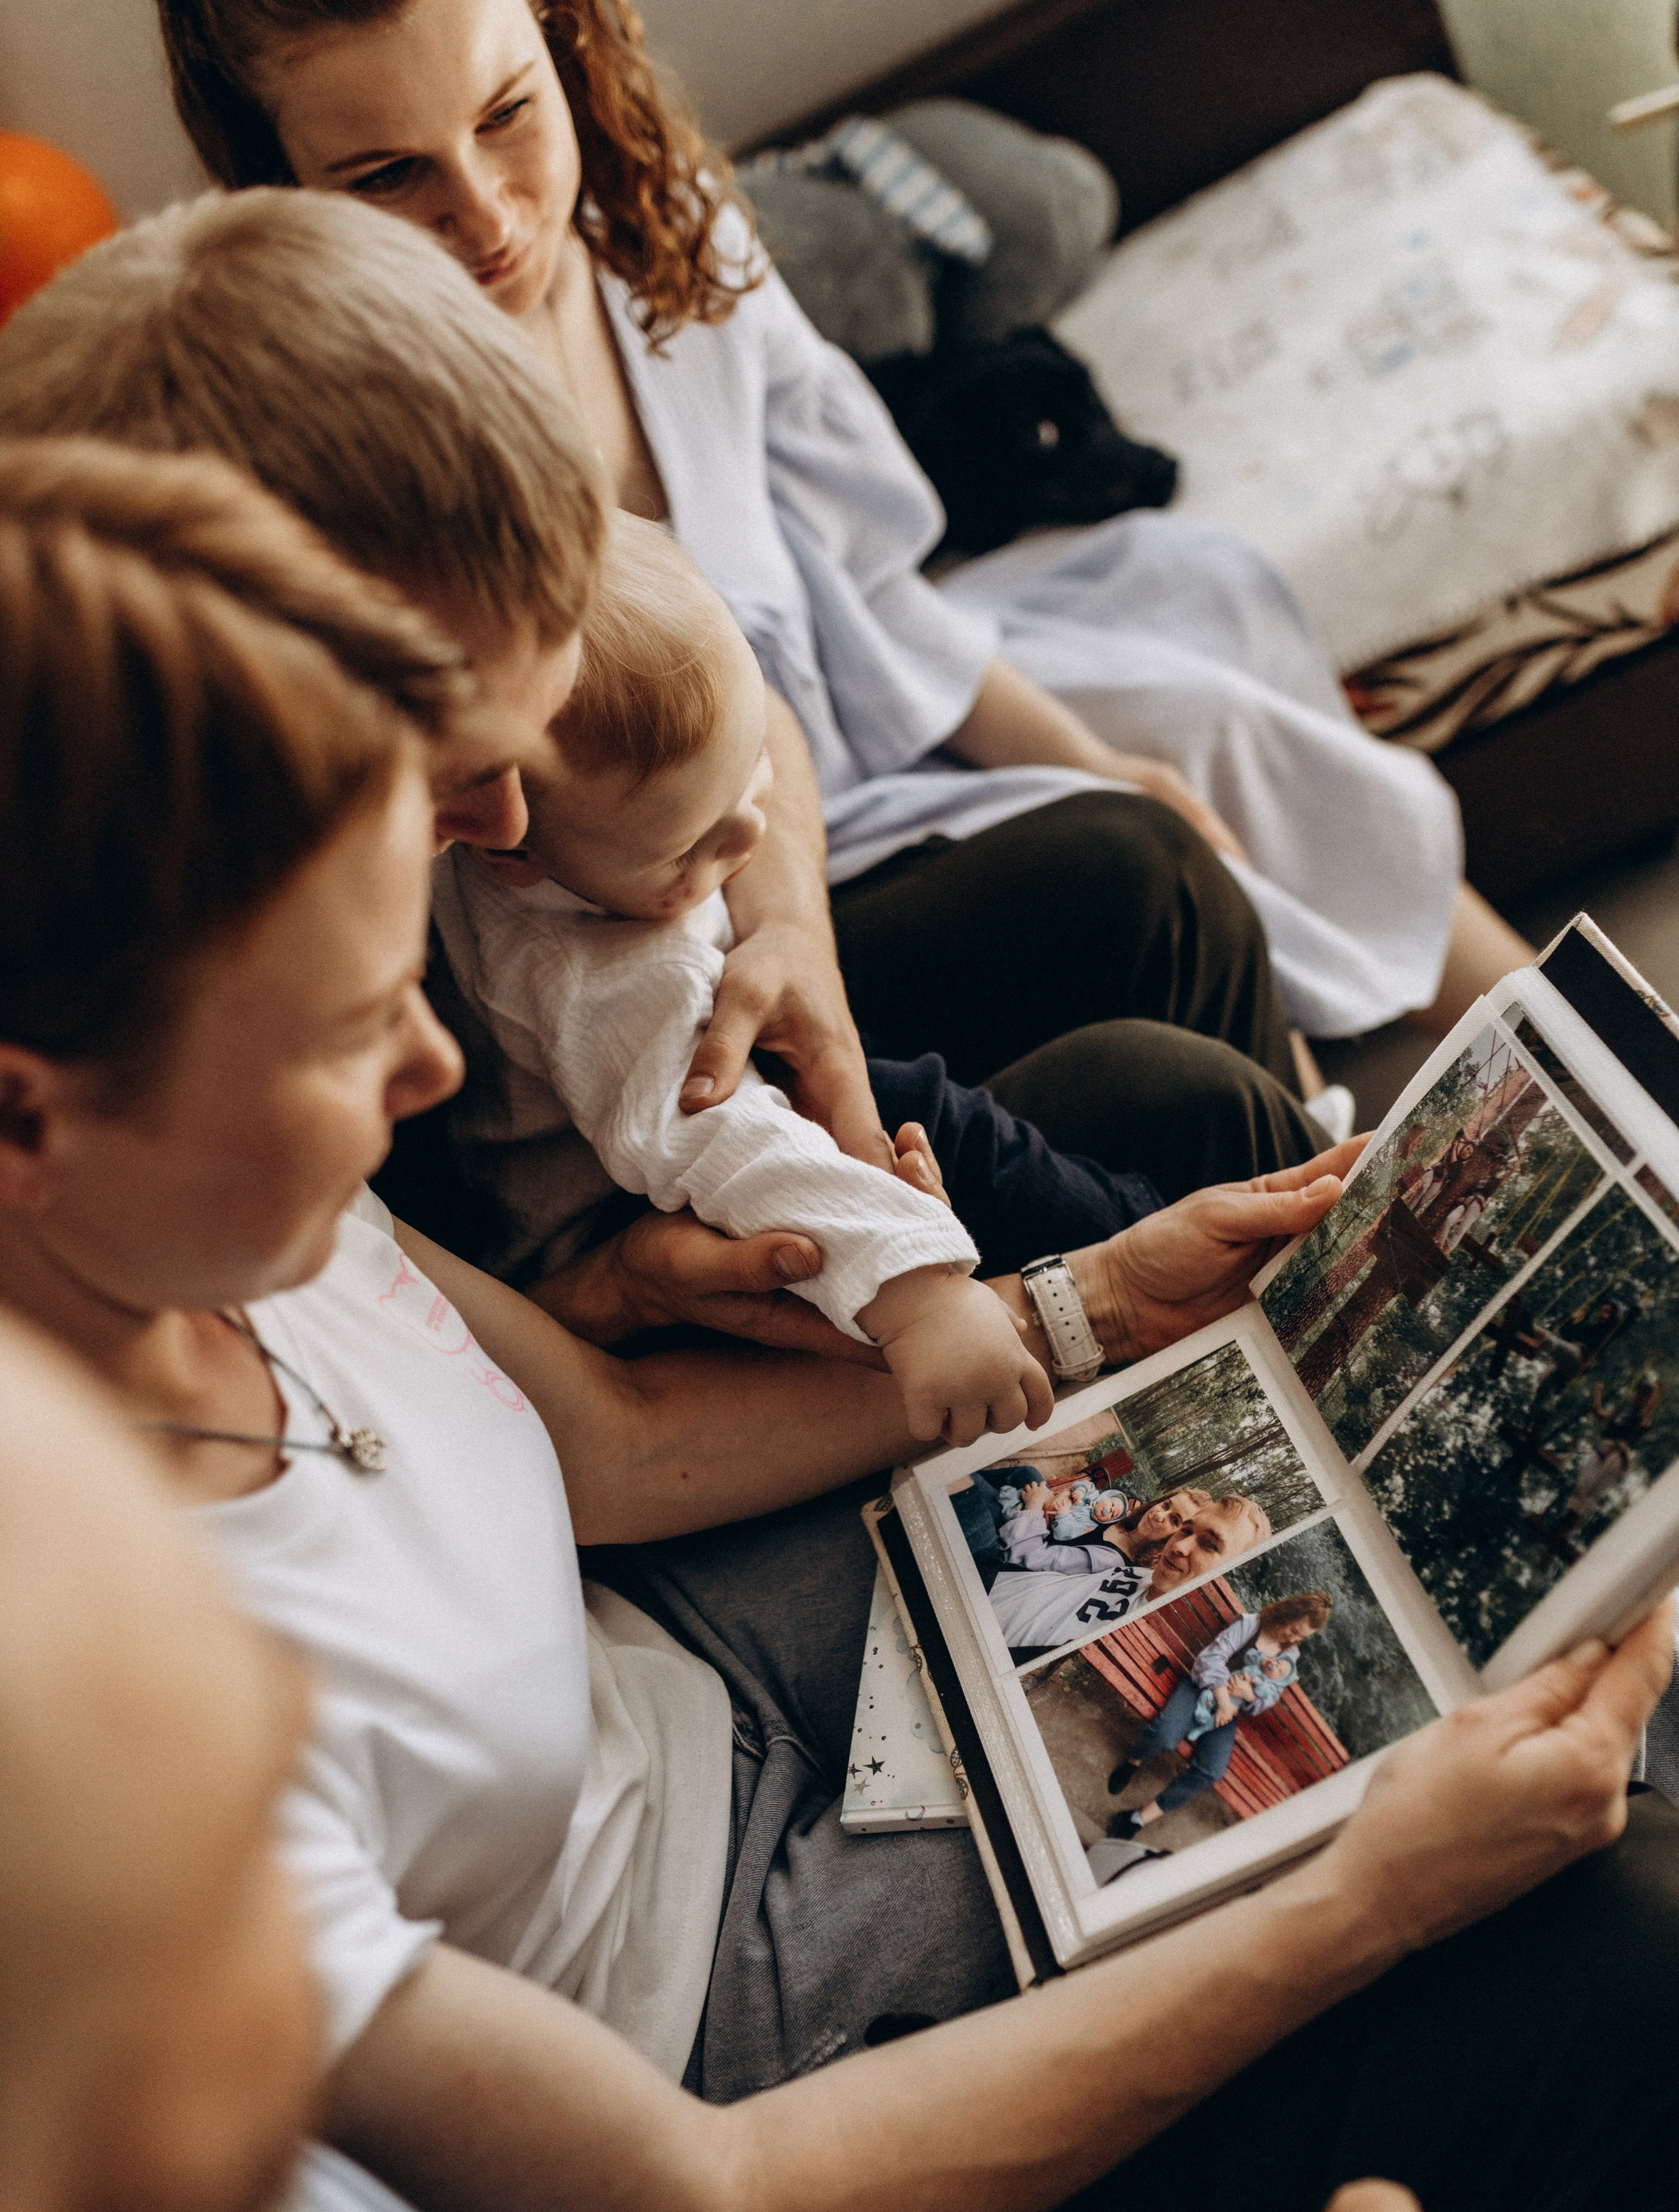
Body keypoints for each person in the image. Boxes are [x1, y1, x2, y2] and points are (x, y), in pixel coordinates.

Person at [0, 1317, 1612, 2212]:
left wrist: (1072, 1304)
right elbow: (711, 2194)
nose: (314, 1707)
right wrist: (1360, 1905)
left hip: (663, 1686)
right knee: (1601, 1905)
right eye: (251, 1793)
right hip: (750, 2134)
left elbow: (599, 1430)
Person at [146, 0, 1537, 1121]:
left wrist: (1089, 756)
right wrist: (821, 901)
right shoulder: (355, 464)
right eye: (387, 178)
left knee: (1193, 679)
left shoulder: (662, 233)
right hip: (693, 881)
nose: (488, 215)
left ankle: (1573, 1061)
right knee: (1139, 853)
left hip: (858, 718)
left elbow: (863, 592)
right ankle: (1317, 1141)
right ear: (277, 187)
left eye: (508, 114)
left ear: (559, 42)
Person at [0, 181, 1340, 1356]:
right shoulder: (192, 995)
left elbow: (739, 704)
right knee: (1183, 1105)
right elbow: (528, 1374)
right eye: (459, 776)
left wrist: (789, 927)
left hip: (659, 1054)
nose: (507, 820)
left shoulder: (461, 518)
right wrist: (1051, 1308)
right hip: (607, 1216)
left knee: (1141, 867)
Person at [432, 510, 1051, 1442]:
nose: (750, 836)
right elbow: (723, 1141)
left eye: (749, 770)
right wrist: (922, 1298)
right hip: (627, 1222)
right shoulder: (599, 974)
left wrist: (776, 907)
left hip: (681, 1101)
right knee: (945, 1128)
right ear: (505, 848)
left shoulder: (576, 838)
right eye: (694, 844)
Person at [1109, 1593, 1334, 1840]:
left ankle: (1137, 1819)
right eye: (1294, 1629)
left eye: (1301, 1637)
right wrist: (1225, 1698)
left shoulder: (1289, 1657)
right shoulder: (1250, 1625)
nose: (1293, 1639)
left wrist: (1248, 1695)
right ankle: (1133, 1762)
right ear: (1287, 1613)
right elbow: (1212, 1658)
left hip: (1227, 1712)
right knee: (1165, 1736)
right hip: (1201, 1690)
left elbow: (1271, 1697)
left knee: (1212, 1771)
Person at [990, 1485, 1272, 1659]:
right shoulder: (1141, 1575)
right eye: (1187, 1529)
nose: (1180, 1546)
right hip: (994, 1584)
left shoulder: (1147, 1632)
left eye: (1210, 1545)